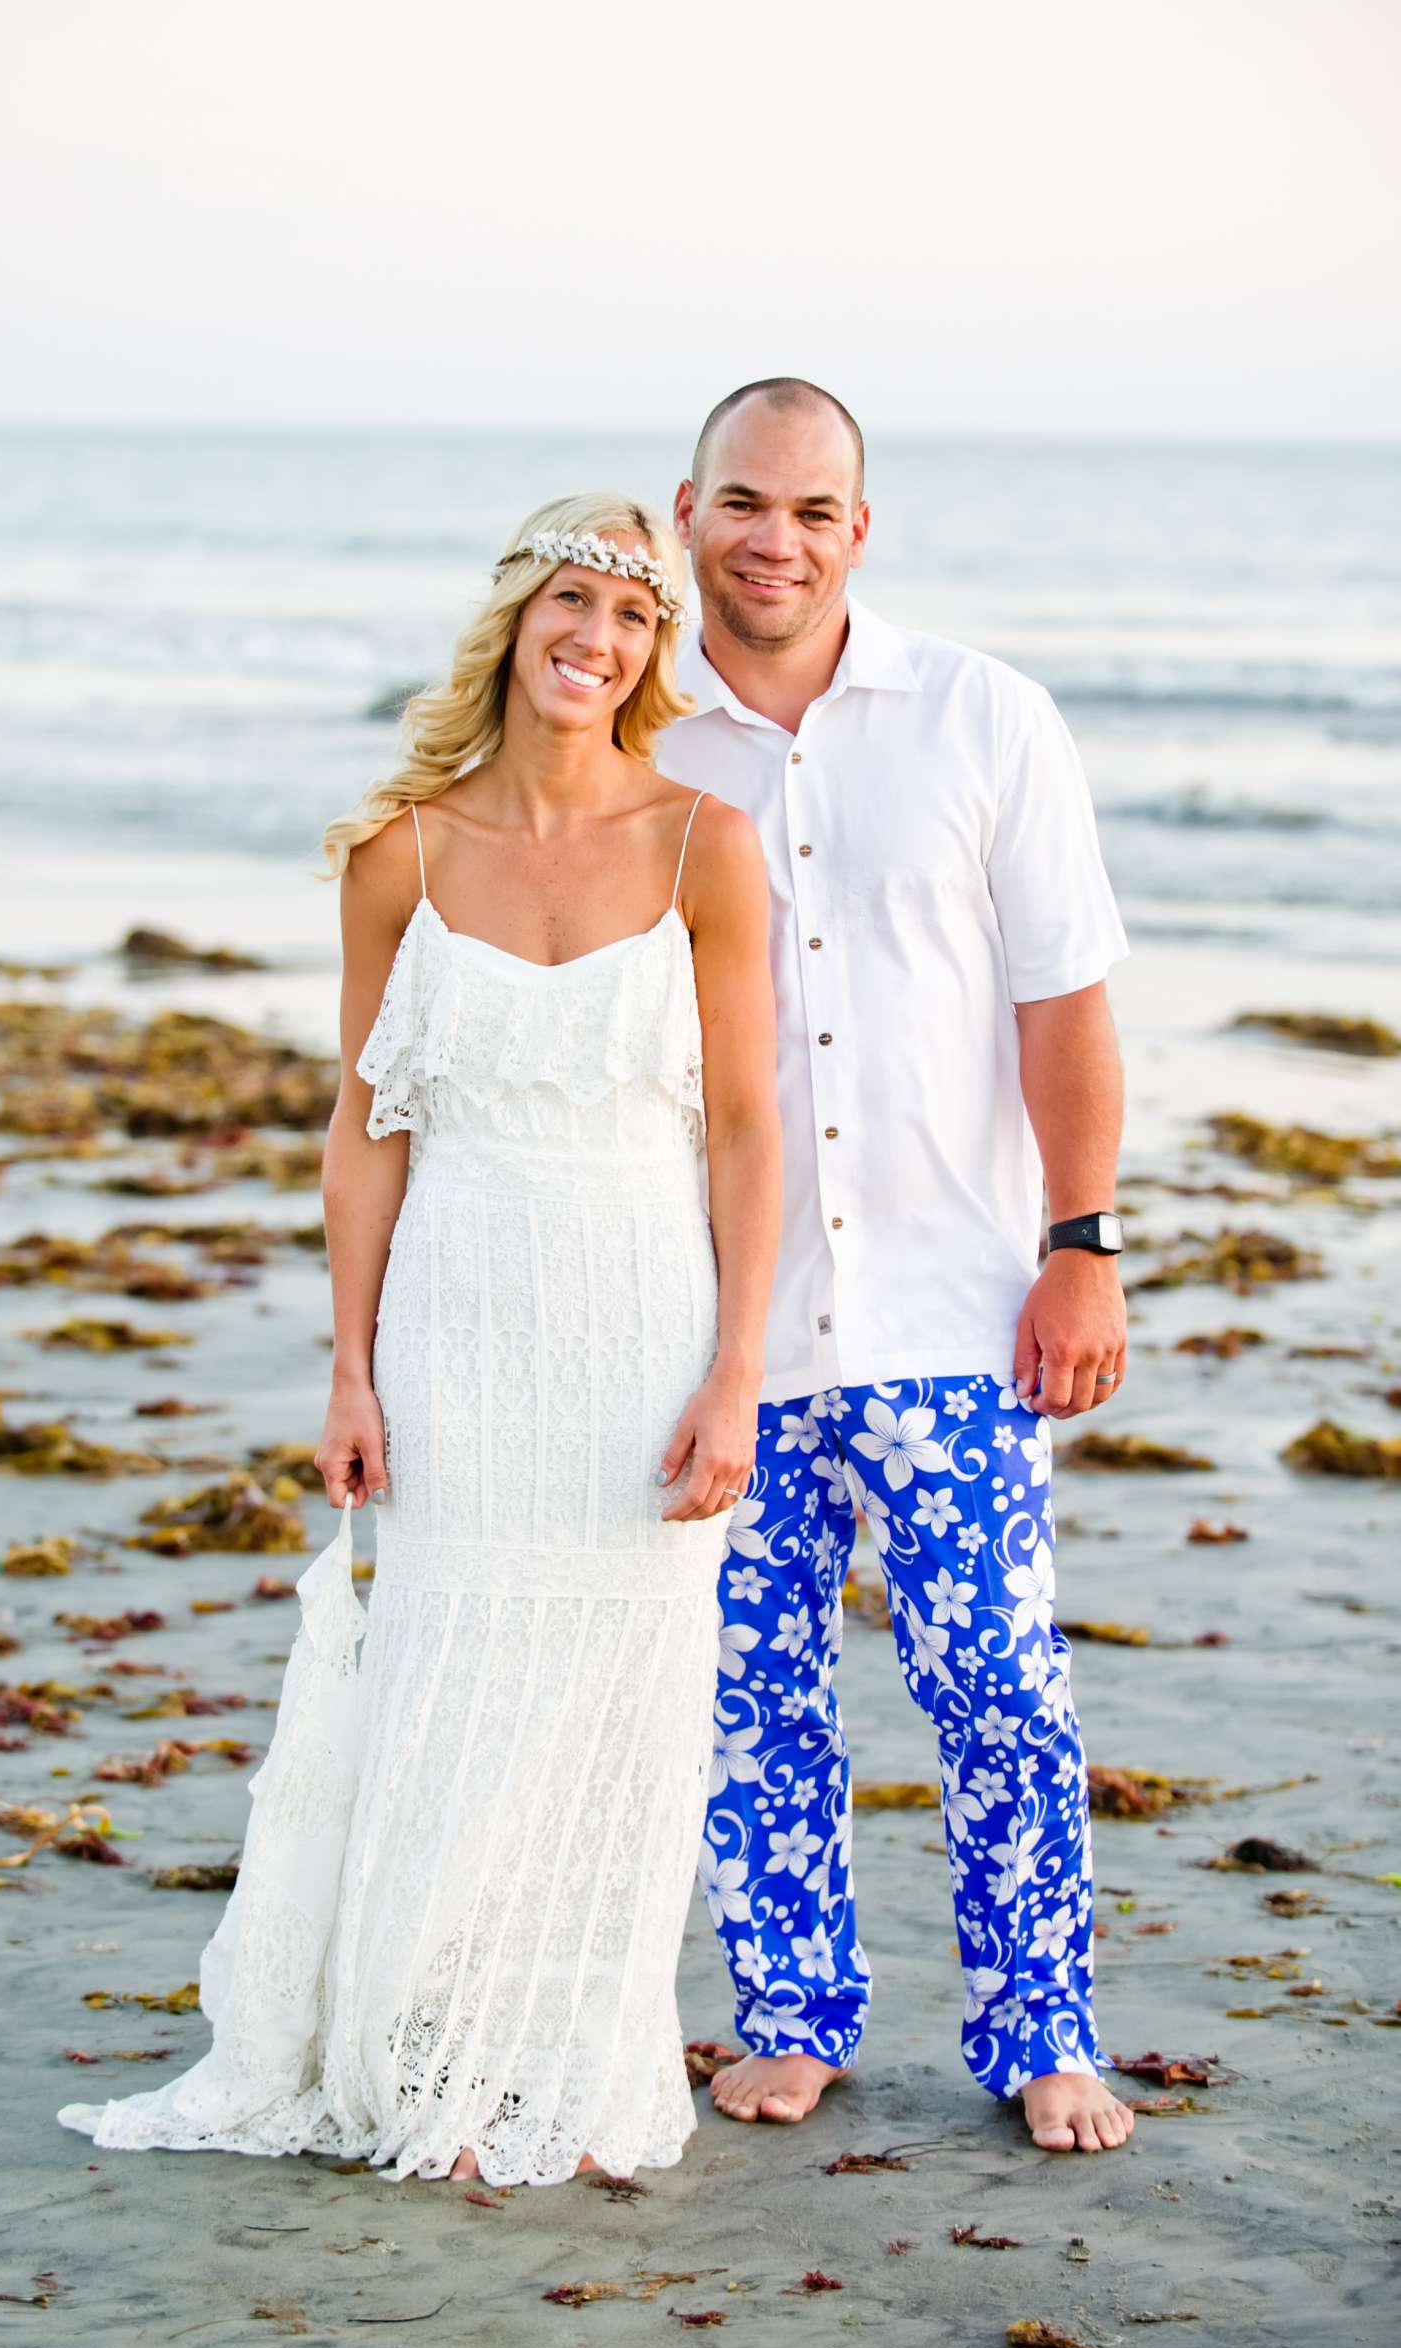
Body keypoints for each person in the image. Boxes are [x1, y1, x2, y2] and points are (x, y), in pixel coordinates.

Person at [58, 493, 781, 2186]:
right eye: (572, 602)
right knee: (453, 1668)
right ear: (518, 616)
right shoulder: (402, 846)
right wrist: (350, 1365)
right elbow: (364, 1125)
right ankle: (423, 2053)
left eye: (630, 615)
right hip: (457, 1317)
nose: (595, 640)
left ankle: (550, 2060)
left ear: (655, 650)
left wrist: (738, 1367)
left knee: (614, 1685)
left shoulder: (706, 843)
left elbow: (749, 1128)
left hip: (636, 1317)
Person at [656, 380, 1137, 2155]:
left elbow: (1065, 1002)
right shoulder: (638, 740)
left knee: (1001, 1686)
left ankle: (1044, 2033)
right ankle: (791, 2016)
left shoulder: (984, 717)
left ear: (863, 527)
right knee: (749, 1695)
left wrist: (1079, 1249)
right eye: (742, 504)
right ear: (687, 509)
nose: (775, 538)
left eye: (811, 508)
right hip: (719, 1323)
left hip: (952, 1307)